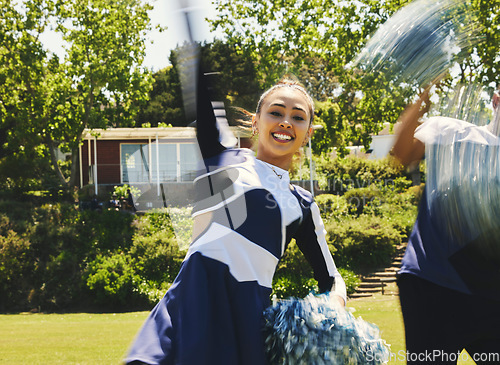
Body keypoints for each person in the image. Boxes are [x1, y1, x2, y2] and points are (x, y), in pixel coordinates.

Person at [124, 66, 346, 365]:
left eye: (298, 117)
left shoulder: (302, 205)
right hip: (188, 306)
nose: (285, 122)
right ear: (255, 123)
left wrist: (335, 306)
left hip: (244, 327)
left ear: (307, 134)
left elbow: (331, 279)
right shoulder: (223, 160)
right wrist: (197, 61)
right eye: (276, 112)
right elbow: (205, 107)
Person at [393, 87, 500, 364]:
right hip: (433, 283)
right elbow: (402, 153)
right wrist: (419, 103)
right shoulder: (450, 129)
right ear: (497, 99)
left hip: (492, 295)